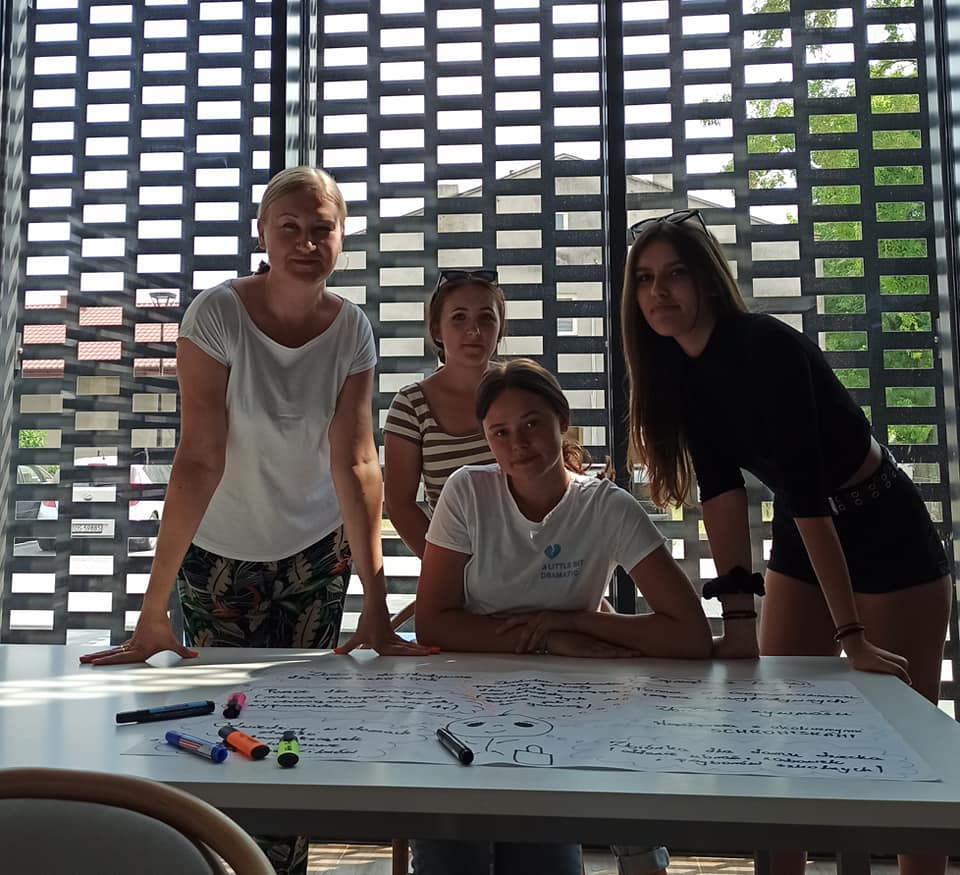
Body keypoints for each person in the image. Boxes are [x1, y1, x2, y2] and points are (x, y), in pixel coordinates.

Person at [80, 165, 431, 875]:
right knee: (225, 721)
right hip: (220, 554)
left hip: (316, 553)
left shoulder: (352, 328)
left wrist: (377, 600)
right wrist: (153, 611)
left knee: (297, 725)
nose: (306, 242)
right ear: (261, 233)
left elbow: (357, 462)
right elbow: (198, 458)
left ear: (342, 236)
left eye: (322, 229)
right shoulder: (216, 314)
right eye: (289, 228)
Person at [621, 208, 952, 875]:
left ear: (707, 281)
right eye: (646, 279)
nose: (659, 292)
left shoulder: (765, 346)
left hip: (881, 524)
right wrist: (738, 622)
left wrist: (851, 634)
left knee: (908, 748)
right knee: (782, 735)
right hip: (806, 537)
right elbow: (722, 495)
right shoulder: (679, 372)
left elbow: (805, 491)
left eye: (675, 274)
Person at [412, 359, 712, 875]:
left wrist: (572, 622)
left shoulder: (606, 506)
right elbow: (434, 623)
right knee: (451, 854)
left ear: (562, 420)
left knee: (542, 855)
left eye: (532, 423)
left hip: (567, 707)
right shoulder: (468, 491)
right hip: (466, 699)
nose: (518, 443)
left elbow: (690, 634)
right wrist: (548, 640)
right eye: (500, 432)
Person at [383, 269, 503, 601]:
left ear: (500, 328)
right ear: (436, 330)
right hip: (459, 579)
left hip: (535, 562)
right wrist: (451, 570)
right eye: (459, 318)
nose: (474, 330)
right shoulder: (411, 404)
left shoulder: (522, 390)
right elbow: (400, 504)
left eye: (486, 318)